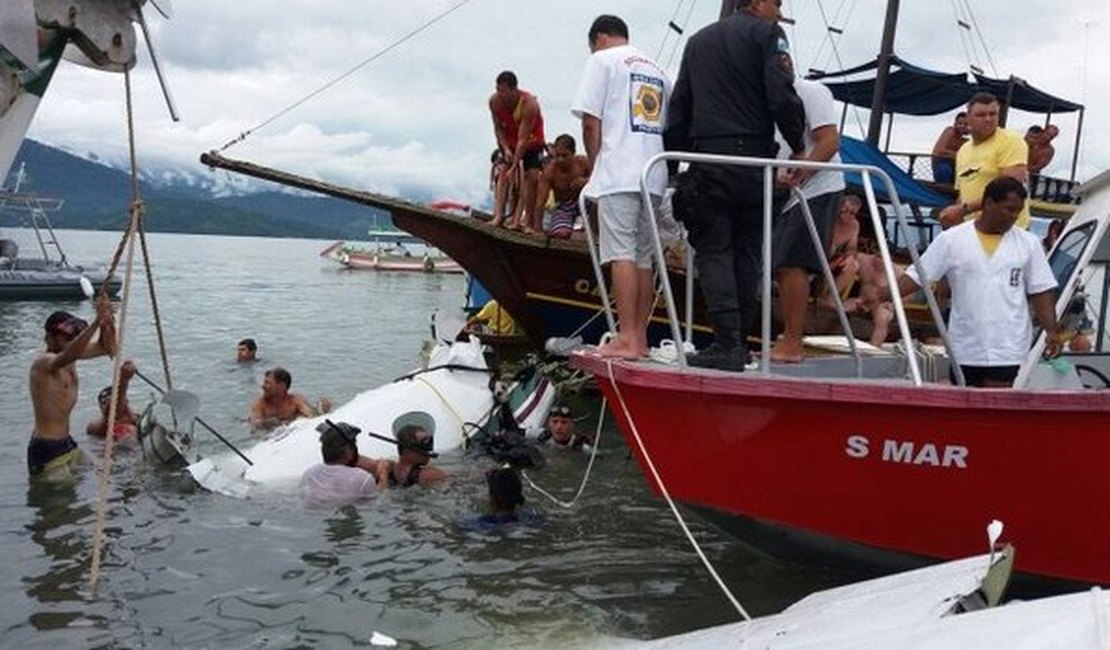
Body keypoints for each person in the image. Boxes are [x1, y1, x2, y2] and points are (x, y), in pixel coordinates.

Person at [665, 0, 806, 371]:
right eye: (776, 3)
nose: (779, 11)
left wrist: (672, 164)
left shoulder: (697, 42)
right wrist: (799, 144)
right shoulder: (768, 34)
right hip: (753, 162)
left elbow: (680, 105)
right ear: (758, 2)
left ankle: (726, 343)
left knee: (714, 251)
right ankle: (738, 345)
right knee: (746, 253)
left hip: (708, 159)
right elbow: (781, 94)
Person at [888, 177, 1060, 387]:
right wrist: (880, 295)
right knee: (965, 402)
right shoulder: (951, 239)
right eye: (1009, 209)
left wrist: (1051, 331)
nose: (1014, 217)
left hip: (1007, 344)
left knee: (995, 404)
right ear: (988, 204)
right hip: (964, 344)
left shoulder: (1029, 243)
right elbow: (918, 276)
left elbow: (1041, 290)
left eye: (1018, 212)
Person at [571, 14, 670, 360]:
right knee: (643, 256)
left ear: (598, 38)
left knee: (620, 252)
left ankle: (626, 336)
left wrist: (596, 167)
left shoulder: (602, 61)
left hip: (620, 171)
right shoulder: (657, 68)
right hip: (654, 172)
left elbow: (589, 122)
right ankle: (639, 337)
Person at [770, 78, 845, 363]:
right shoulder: (758, 93)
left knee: (792, 262)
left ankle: (792, 342)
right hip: (783, 189)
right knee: (780, 265)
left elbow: (829, 140)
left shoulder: (811, 92)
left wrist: (802, 173)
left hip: (816, 186)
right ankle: (787, 337)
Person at [28, 300, 117, 478]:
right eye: (67, 336)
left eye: (74, 336)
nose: (72, 339)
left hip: (66, 443)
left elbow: (109, 348)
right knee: (59, 503)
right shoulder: (43, 363)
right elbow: (70, 354)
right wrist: (96, 323)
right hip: (46, 448)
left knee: (105, 472)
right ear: (50, 337)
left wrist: (108, 323)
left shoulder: (71, 355)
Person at [939, 93, 1030, 231]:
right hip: (974, 232)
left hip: (1007, 231)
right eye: (981, 115)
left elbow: (1009, 191)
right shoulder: (963, 150)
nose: (988, 119)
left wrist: (964, 209)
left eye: (993, 114)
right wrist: (955, 216)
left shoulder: (1011, 141)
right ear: (968, 118)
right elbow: (963, 193)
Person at [489, 70, 546, 232]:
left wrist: (515, 165)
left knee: (531, 177)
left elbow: (523, 138)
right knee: (503, 173)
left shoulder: (529, 103)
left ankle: (525, 221)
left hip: (531, 141)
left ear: (514, 90)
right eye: (498, 90)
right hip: (510, 142)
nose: (500, 94)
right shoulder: (494, 101)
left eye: (503, 91)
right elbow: (497, 129)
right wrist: (505, 149)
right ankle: (498, 216)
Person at [301, 421, 390, 507]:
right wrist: (383, 474)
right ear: (348, 451)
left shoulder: (309, 474)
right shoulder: (363, 479)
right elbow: (380, 502)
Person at [534, 134, 591, 239]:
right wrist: (538, 229)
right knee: (561, 234)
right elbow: (540, 202)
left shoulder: (583, 163)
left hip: (586, 201)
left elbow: (601, 179)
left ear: (573, 153)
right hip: (564, 207)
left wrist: (586, 181)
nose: (560, 160)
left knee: (599, 204)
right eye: (557, 155)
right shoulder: (549, 172)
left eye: (564, 156)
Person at [249, 367, 330, 432]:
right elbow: (255, 424)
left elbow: (312, 416)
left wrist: (322, 410)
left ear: (281, 385)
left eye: (268, 383)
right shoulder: (260, 404)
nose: (263, 386)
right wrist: (266, 423)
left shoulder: (295, 400)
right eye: (264, 382)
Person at [387, 413, 447, 488]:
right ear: (407, 449)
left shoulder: (388, 469)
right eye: (423, 442)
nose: (428, 449)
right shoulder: (431, 475)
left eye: (428, 440)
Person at [86, 359, 139, 439]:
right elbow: (113, 413)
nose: (110, 404)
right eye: (105, 402)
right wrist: (123, 380)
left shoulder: (137, 420)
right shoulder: (94, 427)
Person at [930, 112, 969, 184]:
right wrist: (959, 155)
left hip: (956, 164)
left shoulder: (966, 139)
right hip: (941, 163)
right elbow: (940, 151)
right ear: (955, 123)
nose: (962, 126)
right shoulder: (950, 131)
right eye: (960, 123)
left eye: (966, 124)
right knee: (944, 170)